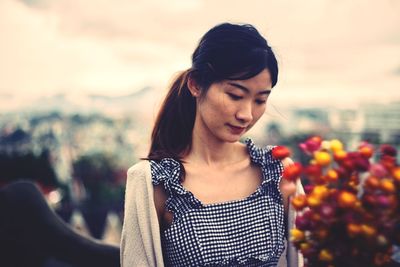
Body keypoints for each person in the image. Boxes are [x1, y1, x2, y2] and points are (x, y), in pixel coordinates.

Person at [120, 22, 304, 267]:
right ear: (196, 84)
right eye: (235, 95)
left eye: (260, 100)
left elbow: (306, 255)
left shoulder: (277, 170)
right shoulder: (153, 182)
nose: (247, 114)